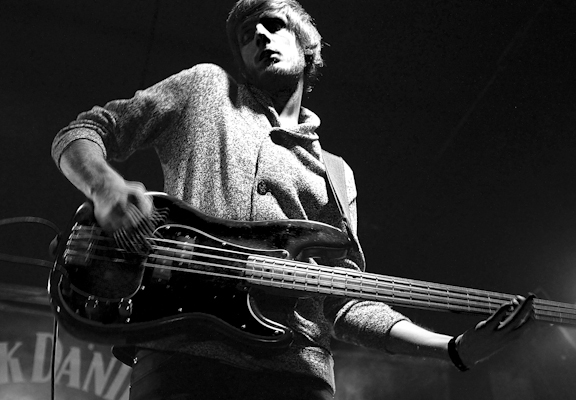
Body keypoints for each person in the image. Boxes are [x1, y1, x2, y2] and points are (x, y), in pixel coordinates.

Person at [51, 0, 534, 399]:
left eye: (273, 24)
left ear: (307, 44)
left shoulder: (337, 175)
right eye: (246, 35)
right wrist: (106, 186)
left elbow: (343, 301)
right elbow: (84, 131)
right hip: (181, 362)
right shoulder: (205, 90)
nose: (259, 36)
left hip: (298, 377)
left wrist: (452, 349)